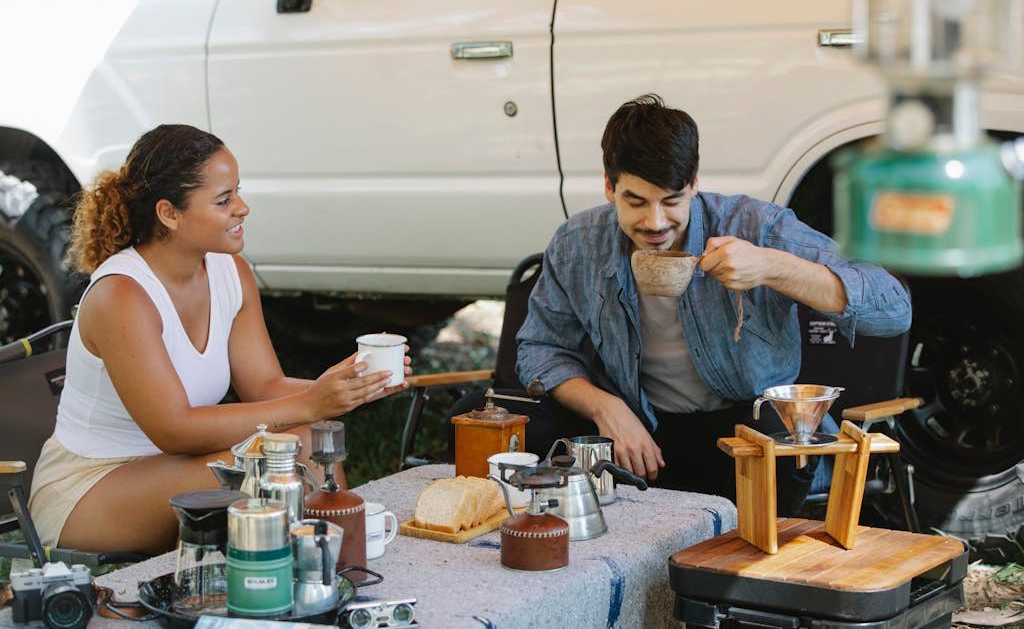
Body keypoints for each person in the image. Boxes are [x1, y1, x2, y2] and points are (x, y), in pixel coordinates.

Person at [511, 94, 912, 511]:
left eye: (671, 201)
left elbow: (893, 309)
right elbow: (540, 349)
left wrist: (773, 267)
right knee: (516, 424)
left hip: (744, 428)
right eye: (635, 202)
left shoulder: (755, 226)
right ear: (609, 187)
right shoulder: (578, 243)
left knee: (774, 454)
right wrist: (606, 408)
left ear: (694, 183)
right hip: (639, 425)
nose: (655, 222)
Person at [28, 125, 411, 554]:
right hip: (91, 489)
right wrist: (310, 402)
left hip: (175, 468)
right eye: (224, 199)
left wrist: (354, 385)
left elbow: (265, 387)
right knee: (269, 467)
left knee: (303, 438)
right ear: (169, 213)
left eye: (238, 192)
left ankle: (341, 565)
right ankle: (332, 566)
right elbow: (174, 429)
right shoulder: (122, 295)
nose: (243, 208)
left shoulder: (232, 273)